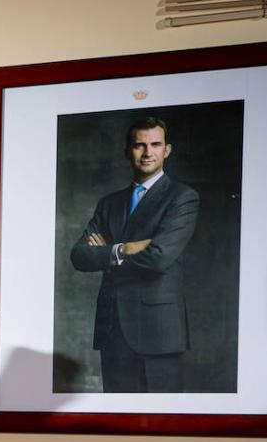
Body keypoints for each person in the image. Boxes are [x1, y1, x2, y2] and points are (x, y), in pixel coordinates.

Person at [69, 116, 200, 393]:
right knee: (117, 417)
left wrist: (106, 253)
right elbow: (79, 256)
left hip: (158, 333)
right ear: (127, 151)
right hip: (113, 330)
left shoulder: (182, 197)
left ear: (167, 150)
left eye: (155, 144)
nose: (147, 152)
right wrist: (124, 248)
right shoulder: (109, 203)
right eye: (140, 145)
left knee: (160, 418)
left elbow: (158, 258)